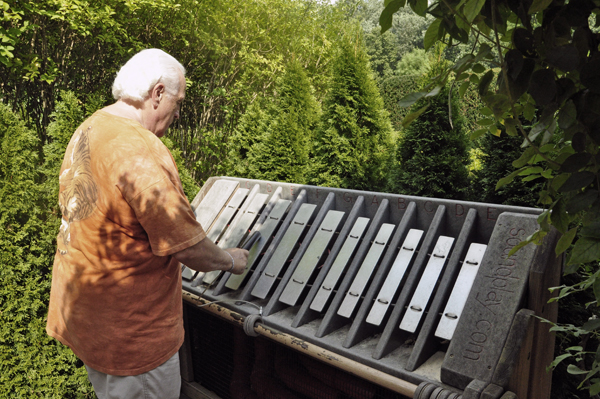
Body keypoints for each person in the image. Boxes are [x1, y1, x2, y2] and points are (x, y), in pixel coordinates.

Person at [46, 48, 249, 399]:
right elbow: (190, 247)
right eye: (178, 101)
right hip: (132, 339)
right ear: (157, 94)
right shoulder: (138, 150)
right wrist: (231, 260)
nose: (178, 113)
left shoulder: (91, 126)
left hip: (85, 318)